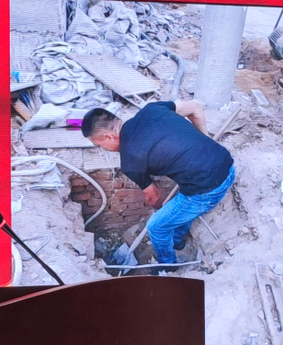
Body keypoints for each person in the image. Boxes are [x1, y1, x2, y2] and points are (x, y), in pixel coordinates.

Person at [82, 101, 235, 265]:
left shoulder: (131, 161)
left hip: (209, 189)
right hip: (226, 162)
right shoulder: (152, 109)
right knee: (179, 208)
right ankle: (177, 241)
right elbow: (195, 107)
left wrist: (158, 209)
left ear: (109, 137)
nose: (102, 149)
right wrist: (206, 139)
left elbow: (154, 197)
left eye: (99, 145)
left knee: (156, 227)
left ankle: (167, 264)